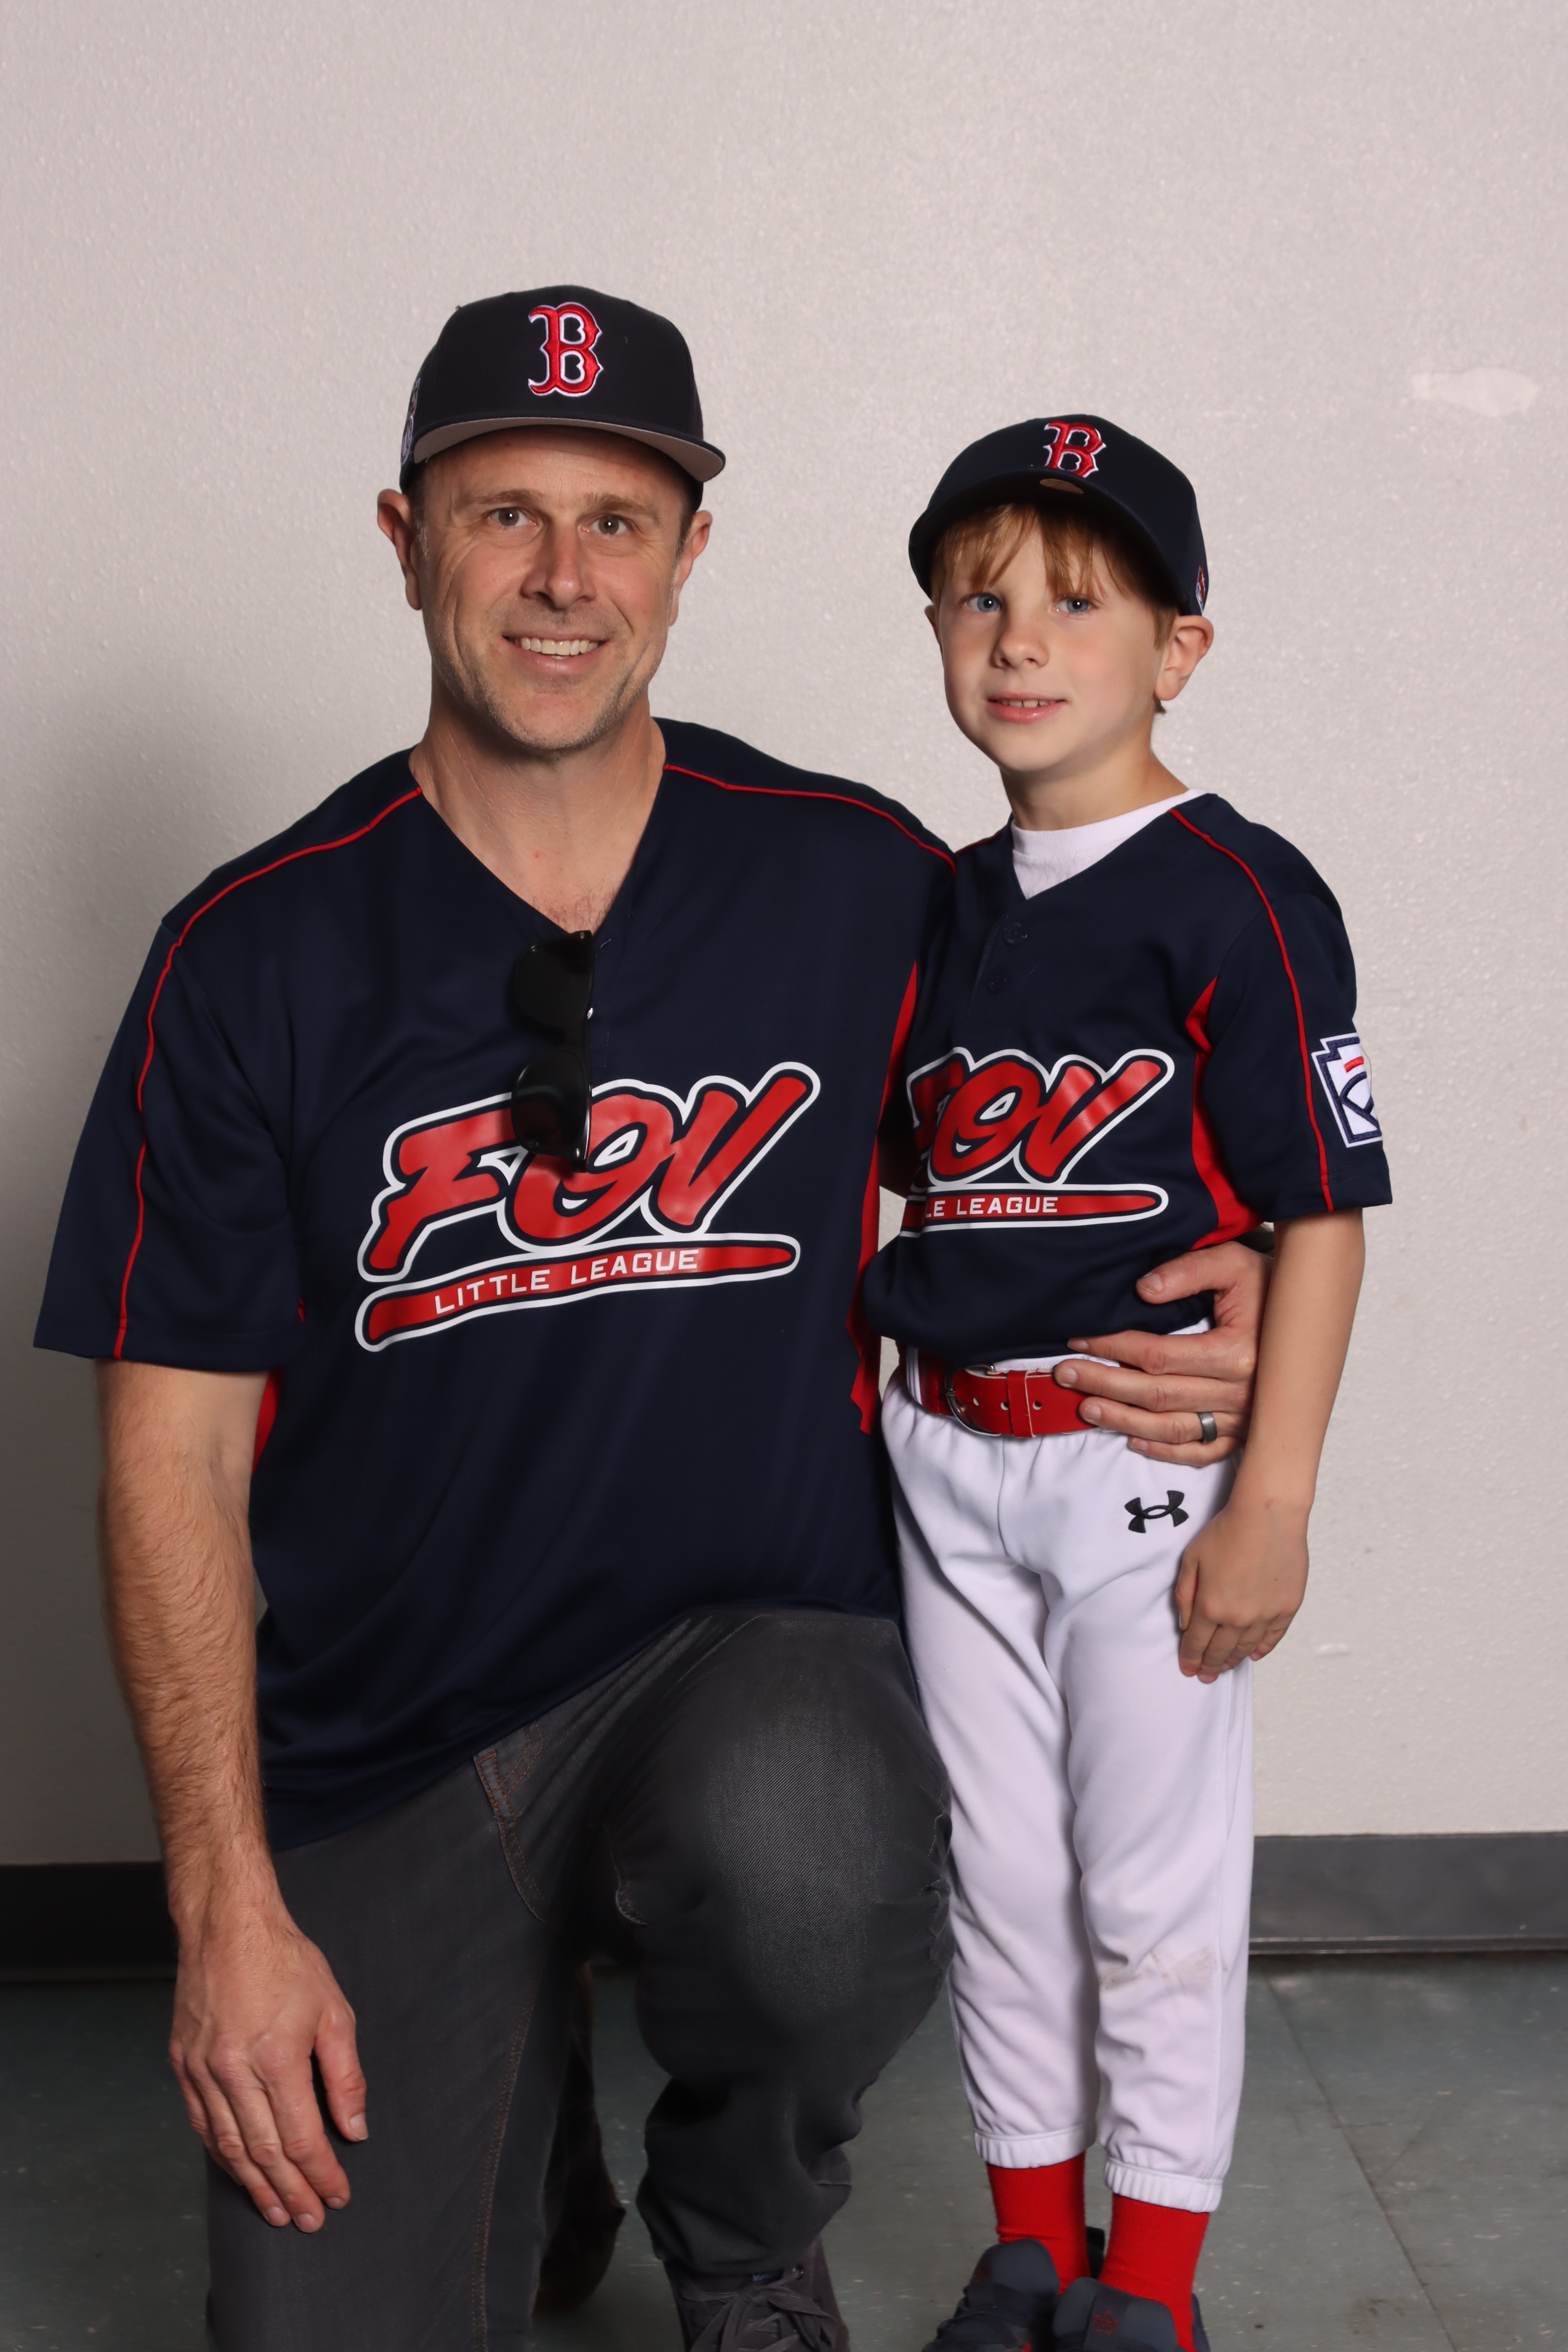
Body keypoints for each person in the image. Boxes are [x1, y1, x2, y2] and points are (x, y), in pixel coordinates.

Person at [34, 304, 1264, 2352]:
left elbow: (1078, 1133)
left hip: (748, 1667)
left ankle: (742, 2227)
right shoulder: (250, 953)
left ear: (689, 556)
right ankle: (525, 2149)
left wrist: (1243, 1289)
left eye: (616, 520)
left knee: (813, 1853)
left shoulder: (857, 880)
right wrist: (225, 1908)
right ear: (405, 542)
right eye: (500, 512)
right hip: (392, 1742)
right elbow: (166, 1452)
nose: (560, 577)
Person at [863, 417, 1392, 2352]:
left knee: (1145, 1892)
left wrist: (1275, 1504)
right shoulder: (936, 905)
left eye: (1078, 602)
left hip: (1128, 1461)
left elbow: (1321, 1213)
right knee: (998, 1876)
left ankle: (1147, 2290)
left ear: (1178, 649)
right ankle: (1030, 2252)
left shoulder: (1236, 890)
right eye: (977, 599)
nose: (1019, 638)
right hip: (944, 1451)